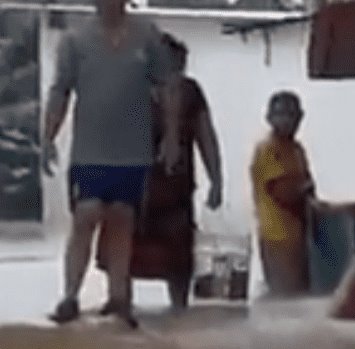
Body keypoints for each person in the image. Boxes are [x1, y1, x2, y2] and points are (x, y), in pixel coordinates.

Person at [43, 0, 181, 328]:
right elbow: (60, 91)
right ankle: (70, 296)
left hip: (133, 152)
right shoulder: (75, 41)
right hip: (90, 152)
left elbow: (167, 86)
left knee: (122, 218)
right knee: (86, 215)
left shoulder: (147, 35)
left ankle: (118, 299)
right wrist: (48, 137)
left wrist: (172, 136)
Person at [94, 33, 222, 311]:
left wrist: (217, 180)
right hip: (132, 187)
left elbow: (206, 137)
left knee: (176, 259)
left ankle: (179, 310)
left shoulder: (189, 93)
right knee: (124, 249)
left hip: (173, 190)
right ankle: (120, 304)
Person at [250, 90, 315, 297]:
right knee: (285, 296)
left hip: (300, 236)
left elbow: (308, 187)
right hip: (276, 237)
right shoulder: (267, 150)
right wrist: (304, 193)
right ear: (269, 118)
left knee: (300, 294)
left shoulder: (297, 150)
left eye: (292, 115)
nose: (287, 121)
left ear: (301, 117)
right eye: (281, 115)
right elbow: (282, 192)